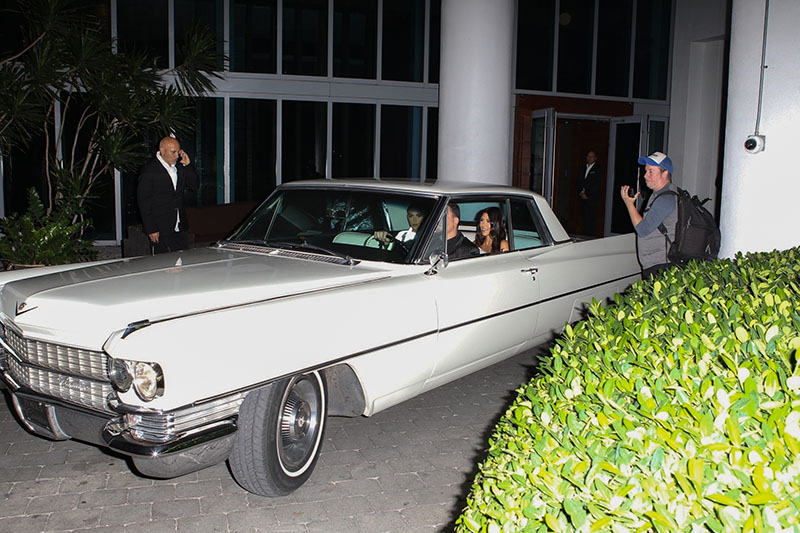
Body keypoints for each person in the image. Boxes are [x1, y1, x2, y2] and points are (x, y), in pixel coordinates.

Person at [620, 151, 678, 279]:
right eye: (646, 171)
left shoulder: (666, 198)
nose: (645, 176)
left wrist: (629, 204)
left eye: (651, 171)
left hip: (662, 267)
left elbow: (643, 229)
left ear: (665, 173)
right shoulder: (658, 195)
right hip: (656, 265)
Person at [137, 137, 199, 254]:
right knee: (164, 264)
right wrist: (151, 228)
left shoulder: (180, 167)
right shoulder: (149, 171)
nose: (176, 155)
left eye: (178, 151)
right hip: (160, 227)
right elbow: (143, 201)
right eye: (173, 152)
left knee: (183, 260)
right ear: (162, 150)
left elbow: (194, 185)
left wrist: (188, 165)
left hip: (180, 225)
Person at [577, 150, 603, 235]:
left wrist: (587, 194)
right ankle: (583, 234)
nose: (589, 158)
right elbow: (579, 181)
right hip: (582, 197)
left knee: (591, 219)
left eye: (591, 156)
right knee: (583, 218)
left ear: (595, 158)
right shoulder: (583, 168)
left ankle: (590, 235)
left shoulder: (598, 169)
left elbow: (597, 184)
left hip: (592, 198)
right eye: (588, 156)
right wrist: (581, 192)